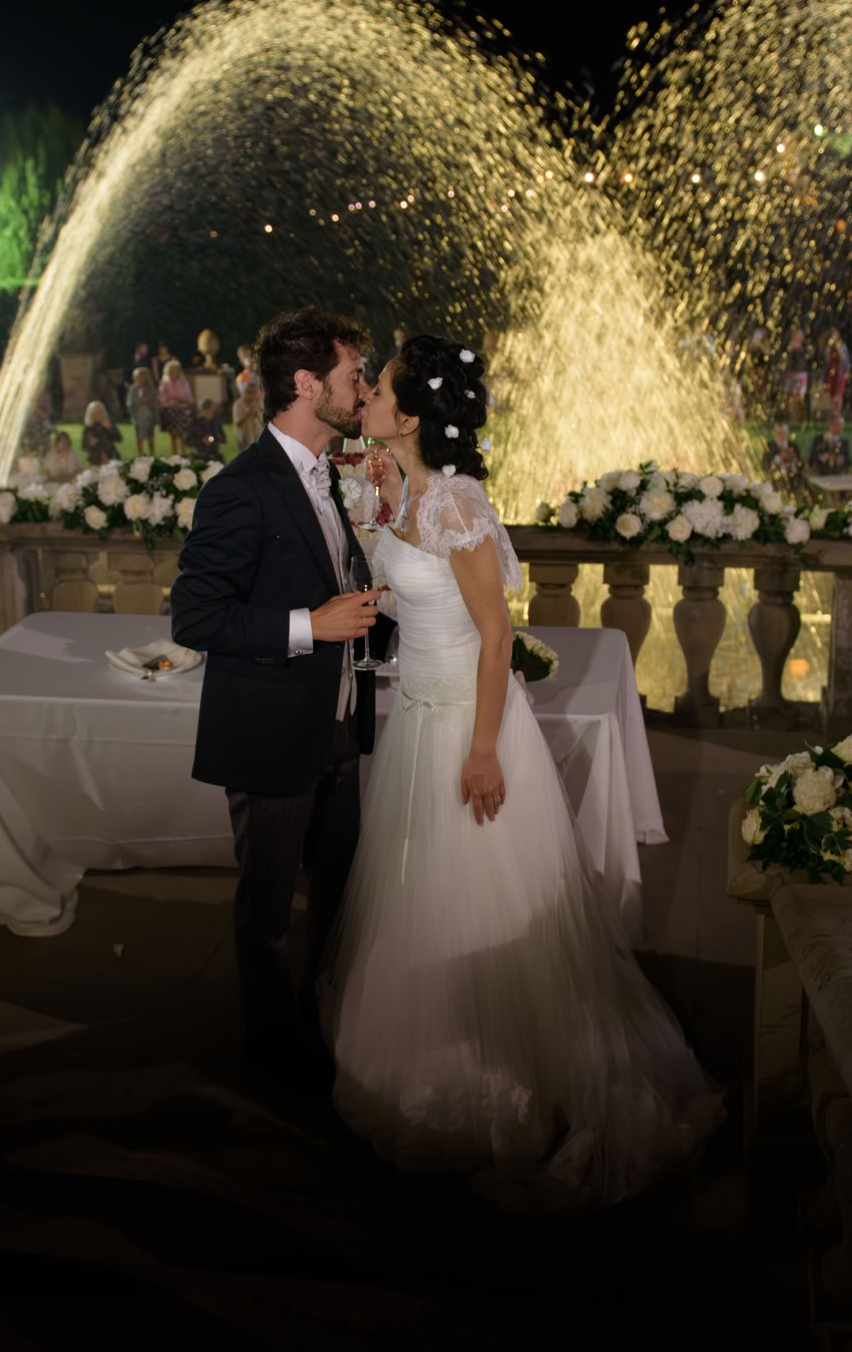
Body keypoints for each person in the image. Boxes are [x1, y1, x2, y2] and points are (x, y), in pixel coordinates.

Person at [311, 329, 724, 1205]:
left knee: (476, 893)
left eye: (382, 389)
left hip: (467, 730)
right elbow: (409, 582)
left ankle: (503, 1079)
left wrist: (484, 752)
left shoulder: (458, 504)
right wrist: (377, 513)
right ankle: (426, 1059)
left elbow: (497, 638)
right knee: (420, 894)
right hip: (417, 720)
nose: (368, 397)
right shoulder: (408, 493)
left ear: (411, 416)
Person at [169, 307, 392, 1088]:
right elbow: (195, 617)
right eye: (354, 376)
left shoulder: (327, 476)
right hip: (268, 733)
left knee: (338, 902)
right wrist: (311, 625)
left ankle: (329, 1027)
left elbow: (334, 585)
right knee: (266, 915)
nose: (364, 390)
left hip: (338, 729)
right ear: (306, 384)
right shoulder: (242, 488)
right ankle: (273, 1064)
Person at [233, 344, 265, 448]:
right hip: (247, 411)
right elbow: (246, 391)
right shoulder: (242, 376)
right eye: (245, 357)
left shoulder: (258, 375)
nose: (249, 360)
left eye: (249, 356)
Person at [127, 366, 160, 456]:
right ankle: (140, 454)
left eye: (143, 376)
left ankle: (152, 454)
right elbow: (130, 401)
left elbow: (154, 398)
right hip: (138, 416)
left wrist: (147, 401)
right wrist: (137, 401)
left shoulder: (150, 387)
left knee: (150, 436)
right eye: (139, 376)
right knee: (139, 436)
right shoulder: (134, 388)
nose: (141, 378)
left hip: (149, 415)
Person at [81, 400, 121, 467]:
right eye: (95, 412)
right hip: (95, 459)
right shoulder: (88, 427)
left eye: (100, 411)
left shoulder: (108, 423)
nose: (98, 414)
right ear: (91, 414)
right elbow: (84, 446)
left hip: (111, 456)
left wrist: (110, 428)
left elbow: (119, 439)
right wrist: (90, 443)